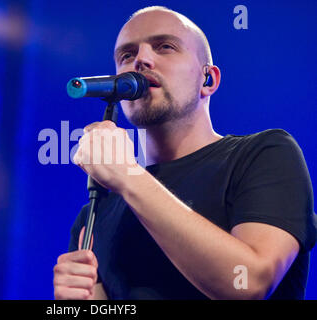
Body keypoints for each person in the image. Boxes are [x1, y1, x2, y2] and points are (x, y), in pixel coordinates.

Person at [53, 6, 316, 299]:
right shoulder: (96, 212)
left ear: (208, 80)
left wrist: (127, 176)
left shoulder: (265, 154)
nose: (141, 60)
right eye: (126, 55)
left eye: (165, 47)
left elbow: (249, 284)